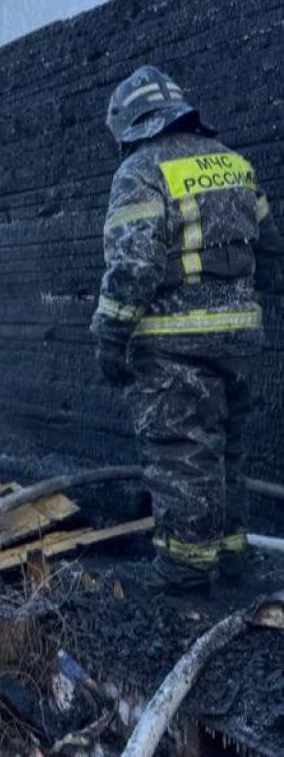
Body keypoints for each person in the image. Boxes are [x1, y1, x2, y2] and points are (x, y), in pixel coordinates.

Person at [92, 65, 284, 590]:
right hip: (240, 341)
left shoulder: (140, 170)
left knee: (182, 452)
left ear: (130, 121)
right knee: (227, 450)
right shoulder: (235, 164)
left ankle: (185, 568)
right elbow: (270, 255)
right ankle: (232, 556)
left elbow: (134, 266)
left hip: (174, 343)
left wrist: (111, 335)